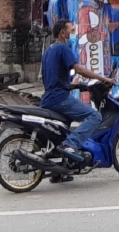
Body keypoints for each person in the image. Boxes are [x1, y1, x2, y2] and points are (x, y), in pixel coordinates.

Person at [40, 19, 112, 180]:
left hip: (48, 98)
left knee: (62, 130)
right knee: (94, 116)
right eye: (71, 31)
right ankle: (71, 145)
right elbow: (78, 68)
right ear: (62, 33)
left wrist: (73, 85)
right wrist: (102, 78)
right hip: (60, 99)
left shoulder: (49, 50)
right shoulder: (63, 48)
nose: (73, 34)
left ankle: (59, 172)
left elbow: (52, 79)